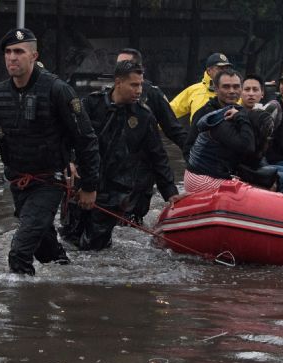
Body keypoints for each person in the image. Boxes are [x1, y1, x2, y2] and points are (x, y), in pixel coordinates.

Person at [0, 28, 99, 276]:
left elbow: (85, 139)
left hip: (49, 182)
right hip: (18, 181)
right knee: (44, 250)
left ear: (34, 56)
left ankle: (23, 312)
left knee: (20, 252)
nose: (12, 57)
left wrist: (89, 185)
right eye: (8, 52)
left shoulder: (57, 90)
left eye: (19, 52)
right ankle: (72, 282)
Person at [61, 61, 179, 250]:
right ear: (118, 82)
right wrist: (68, 161)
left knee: (94, 246)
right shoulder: (91, 104)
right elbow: (68, 136)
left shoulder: (143, 116)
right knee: (69, 239)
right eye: (134, 85)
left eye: (140, 84)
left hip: (115, 191)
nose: (139, 90)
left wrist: (170, 192)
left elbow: (158, 155)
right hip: (82, 183)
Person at [115, 48, 186, 225]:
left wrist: (195, 155)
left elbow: (173, 131)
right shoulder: (103, 99)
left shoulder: (151, 95)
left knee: (130, 221)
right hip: (113, 168)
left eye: (127, 64)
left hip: (141, 169)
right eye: (118, 65)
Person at [184, 106, 276, 192]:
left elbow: (253, 161)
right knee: (256, 192)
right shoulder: (225, 125)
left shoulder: (242, 127)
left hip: (217, 174)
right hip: (201, 178)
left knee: (271, 183)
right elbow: (247, 147)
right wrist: (241, 118)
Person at [183, 68, 243, 161]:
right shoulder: (204, 114)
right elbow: (188, 148)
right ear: (216, 89)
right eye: (226, 87)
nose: (232, 91)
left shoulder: (242, 113)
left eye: (236, 87)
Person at [169, 52, 232, 120]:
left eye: (227, 68)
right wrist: (156, 127)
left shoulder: (235, 91)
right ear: (209, 71)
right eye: (220, 68)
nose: (224, 71)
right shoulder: (194, 90)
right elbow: (169, 112)